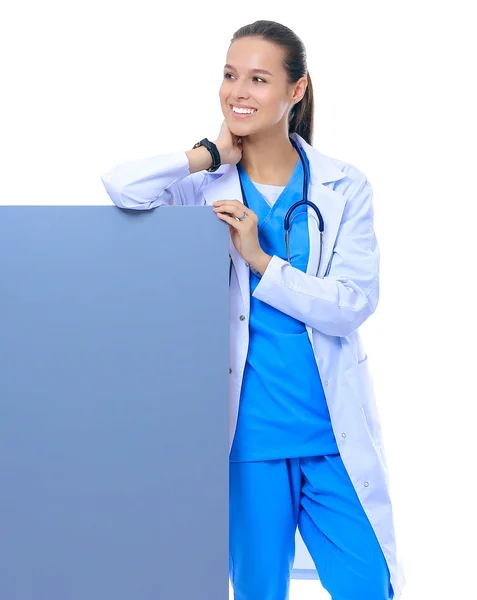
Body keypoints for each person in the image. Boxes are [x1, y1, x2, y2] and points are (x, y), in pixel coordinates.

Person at [101, 19, 405, 600]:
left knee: (370, 586)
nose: (238, 91)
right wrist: (207, 152)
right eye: (229, 75)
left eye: (259, 79)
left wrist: (262, 261)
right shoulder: (206, 185)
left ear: (296, 90)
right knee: (258, 592)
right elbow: (121, 188)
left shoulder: (344, 185)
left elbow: (351, 303)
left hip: (331, 437)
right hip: (250, 441)